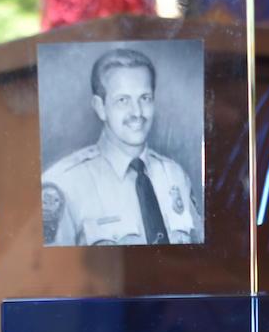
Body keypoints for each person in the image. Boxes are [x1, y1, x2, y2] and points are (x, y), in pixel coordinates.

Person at [41, 48, 203, 247]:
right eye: (123, 100)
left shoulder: (175, 175)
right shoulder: (63, 185)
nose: (137, 112)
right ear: (100, 107)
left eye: (145, 98)